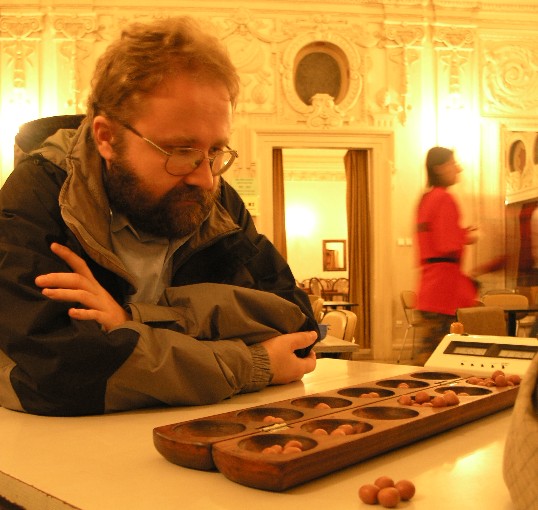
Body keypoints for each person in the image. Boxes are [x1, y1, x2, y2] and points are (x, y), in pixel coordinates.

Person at [0, 16, 318, 417]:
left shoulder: (216, 199)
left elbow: (297, 328)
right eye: (180, 151)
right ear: (106, 138)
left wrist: (131, 321)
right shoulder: (40, 194)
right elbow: (57, 375)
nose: (205, 178)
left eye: (215, 151)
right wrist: (253, 364)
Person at [415, 146, 478, 364]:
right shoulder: (444, 198)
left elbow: (435, 238)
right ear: (439, 168)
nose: (458, 168)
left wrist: (460, 233)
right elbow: (446, 244)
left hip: (430, 287)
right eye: (453, 163)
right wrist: (468, 236)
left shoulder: (426, 199)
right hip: (444, 290)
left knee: (430, 355)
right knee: (439, 360)